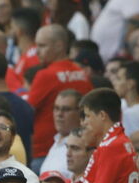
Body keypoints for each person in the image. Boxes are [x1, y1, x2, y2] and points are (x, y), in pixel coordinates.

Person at [27, 24, 92, 170]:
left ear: (59, 46)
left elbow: (26, 111)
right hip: (75, 148)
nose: (37, 51)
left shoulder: (45, 75)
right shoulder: (81, 74)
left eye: (42, 45)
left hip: (44, 151)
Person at [39, 90, 83, 179]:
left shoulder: (83, 146)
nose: (59, 114)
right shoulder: (57, 141)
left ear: (80, 113)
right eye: (56, 108)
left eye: (66, 109)